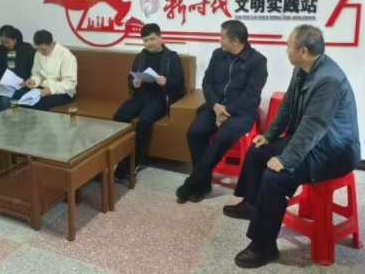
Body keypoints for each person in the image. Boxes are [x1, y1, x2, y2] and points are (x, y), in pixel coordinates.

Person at [225, 25, 361, 269]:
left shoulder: (328, 81)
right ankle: (252, 205)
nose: (286, 50)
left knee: (275, 177)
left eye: (289, 46)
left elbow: (315, 126)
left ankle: (264, 246)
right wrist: (269, 136)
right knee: (257, 152)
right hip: (311, 142)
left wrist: (286, 159)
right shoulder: (302, 69)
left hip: (333, 151)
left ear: (304, 51)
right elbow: (287, 106)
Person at [177, 20, 268, 204]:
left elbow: (251, 95)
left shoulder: (258, 61)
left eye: (222, 36)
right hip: (215, 107)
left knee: (221, 139)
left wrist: (226, 111)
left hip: (242, 112)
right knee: (195, 132)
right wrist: (216, 107)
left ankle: (193, 182)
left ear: (235, 41)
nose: (220, 40)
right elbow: (207, 83)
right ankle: (203, 184)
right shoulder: (218, 54)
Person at [112, 23, 185, 180]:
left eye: (152, 39)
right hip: (141, 96)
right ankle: (118, 154)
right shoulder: (141, 56)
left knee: (144, 120)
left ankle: (135, 161)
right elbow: (131, 79)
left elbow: (180, 83)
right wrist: (134, 83)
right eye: (146, 40)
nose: (149, 43)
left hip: (160, 98)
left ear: (160, 37)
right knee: (118, 116)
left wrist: (166, 81)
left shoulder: (172, 57)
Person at [23, 30, 77, 110]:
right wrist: (34, 81)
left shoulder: (66, 55)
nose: (40, 52)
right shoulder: (38, 54)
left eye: (43, 49)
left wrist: (51, 90)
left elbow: (70, 84)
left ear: (51, 44)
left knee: (39, 105)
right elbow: (37, 74)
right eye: (38, 49)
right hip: (43, 90)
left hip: (62, 92)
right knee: (21, 100)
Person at [0, 25, 35, 112]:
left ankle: (10, 121)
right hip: (5, 86)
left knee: (5, 100)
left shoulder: (27, 49)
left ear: (14, 39)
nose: (5, 45)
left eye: (7, 42)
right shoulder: (2, 49)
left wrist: (27, 81)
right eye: (3, 42)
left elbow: (33, 69)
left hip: (22, 86)